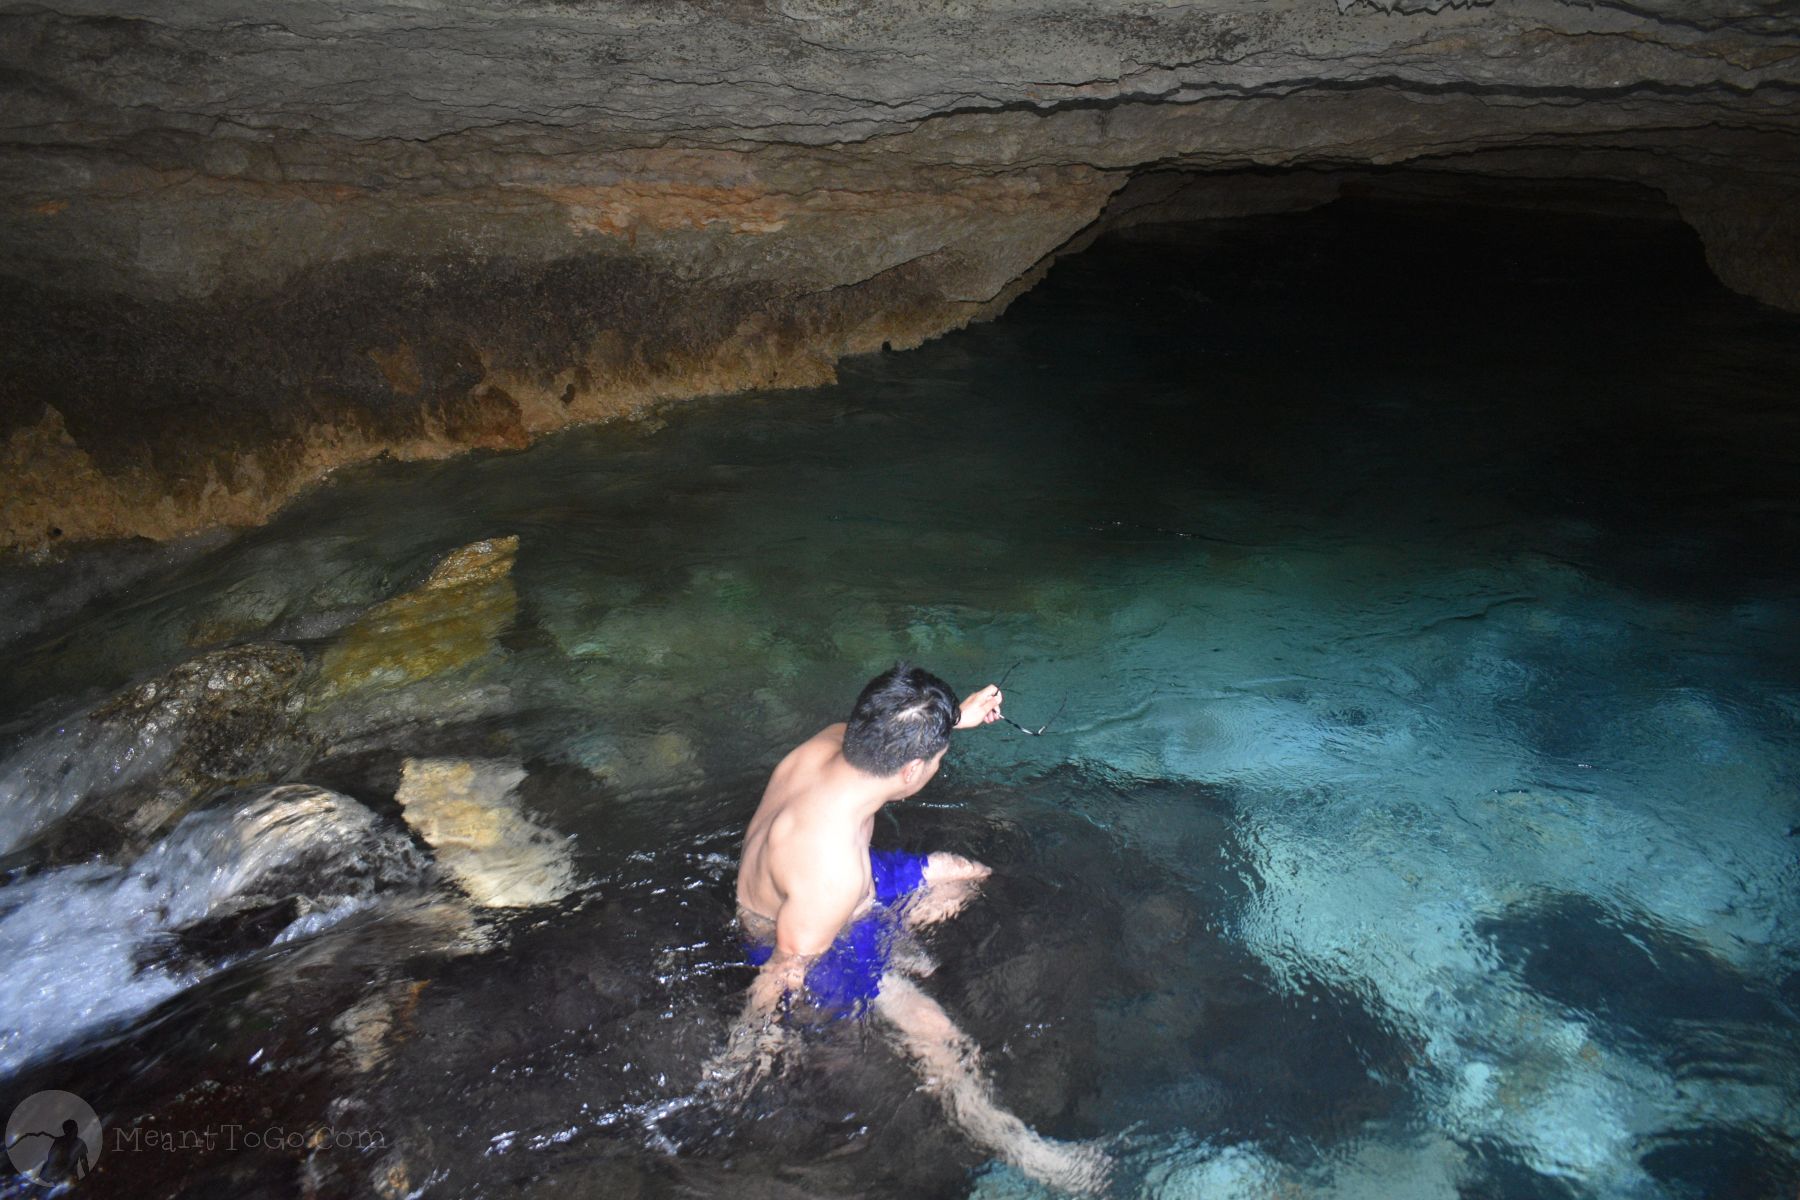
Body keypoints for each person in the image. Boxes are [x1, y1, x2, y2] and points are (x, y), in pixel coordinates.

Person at [710, 662, 1107, 1191]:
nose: (937, 767)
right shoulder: (830, 872)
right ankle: (1019, 1147)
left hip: (829, 889)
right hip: (803, 934)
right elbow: (786, 970)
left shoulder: (829, 745)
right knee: (937, 1033)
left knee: (963, 875)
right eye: (937, 760)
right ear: (910, 772)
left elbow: (890, 743)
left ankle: (897, 939)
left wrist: (954, 721)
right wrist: (744, 1054)